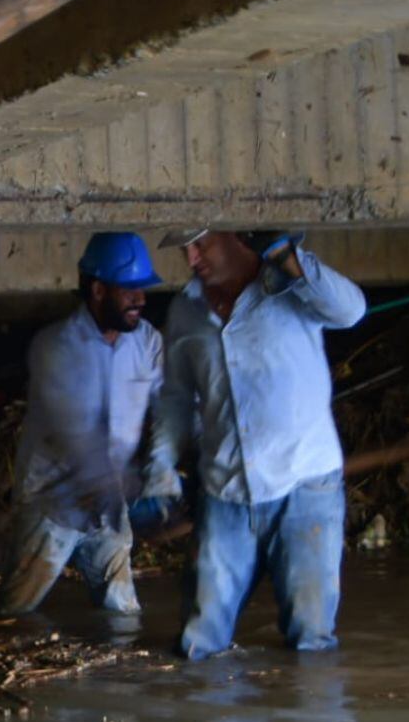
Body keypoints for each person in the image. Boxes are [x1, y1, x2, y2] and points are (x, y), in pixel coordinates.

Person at [139, 228, 365, 657]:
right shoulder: (185, 311)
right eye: (184, 248)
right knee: (199, 640)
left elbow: (351, 311)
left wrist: (287, 256)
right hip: (225, 491)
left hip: (305, 485)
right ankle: (207, 715)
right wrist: (162, 464)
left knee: (311, 636)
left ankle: (308, 716)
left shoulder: (289, 286)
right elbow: (175, 397)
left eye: (199, 244)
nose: (190, 258)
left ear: (235, 235)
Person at [0, 232, 164, 617]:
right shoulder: (55, 347)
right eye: (130, 290)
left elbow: (169, 404)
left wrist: (172, 464)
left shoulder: (147, 343)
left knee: (123, 617)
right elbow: (77, 434)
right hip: (52, 503)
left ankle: (123, 674)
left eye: (143, 289)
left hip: (109, 505)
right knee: (14, 615)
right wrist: (134, 489)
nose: (140, 299)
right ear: (98, 290)